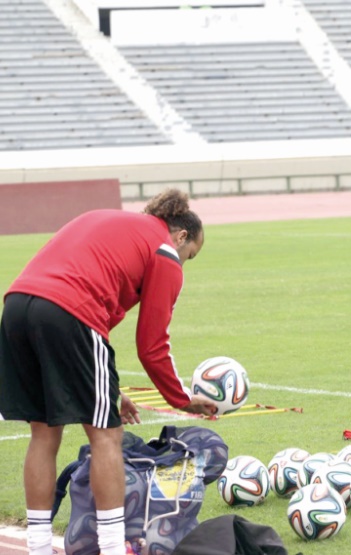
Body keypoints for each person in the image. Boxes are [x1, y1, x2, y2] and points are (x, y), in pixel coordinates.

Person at [0, 189, 218, 555]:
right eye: (190, 255)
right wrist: (182, 400)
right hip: (69, 311)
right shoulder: (164, 250)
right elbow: (152, 346)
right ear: (181, 236)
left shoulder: (115, 221)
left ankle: (37, 547)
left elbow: (91, 313)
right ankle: (114, 548)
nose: (184, 262)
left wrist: (112, 391)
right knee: (106, 436)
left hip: (17, 307)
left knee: (43, 433)